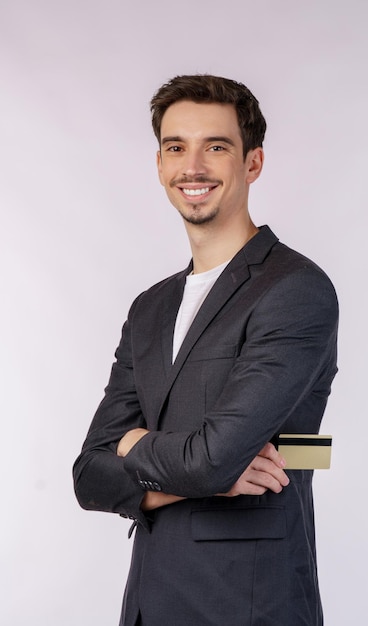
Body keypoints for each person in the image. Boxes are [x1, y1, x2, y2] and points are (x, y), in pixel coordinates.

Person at [73, 74, 338, 626]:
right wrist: (204, 475)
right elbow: (88, 474)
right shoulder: (150, 308)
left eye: (215, 146)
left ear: (253, 163)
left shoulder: (295, 290)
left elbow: (215, 460)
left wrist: (139, 444)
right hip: (149, 603)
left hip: (247, 604)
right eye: (176, 147)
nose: (192, 166)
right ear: (160, 165)